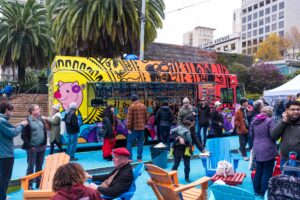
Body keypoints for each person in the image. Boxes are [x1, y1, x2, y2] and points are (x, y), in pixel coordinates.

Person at [0, 102, 28, 200]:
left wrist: (15, 126)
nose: (12, 113)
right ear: (7, 110)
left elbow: (7, 131)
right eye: (11, 110)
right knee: (4, 178)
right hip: (5, 154)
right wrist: (22, 125)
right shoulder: (2, 121)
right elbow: (13, 133)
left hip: (2, 153)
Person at [250, 106, 277, 197]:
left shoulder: (254, 121)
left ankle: (256, 190)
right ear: (270, 113)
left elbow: (251, 135)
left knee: (259, 170)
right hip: (268, 147)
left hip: (257, 146)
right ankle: (263, 192)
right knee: (267, 170)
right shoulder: (269, 121)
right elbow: (273, 135)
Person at [271, 101, 300, 177]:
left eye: (298, 109)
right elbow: (273, 136)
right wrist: (283, 122)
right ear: (287, 110)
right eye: (292, 109)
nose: (296, 111)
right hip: (285, 160)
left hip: (299, 161)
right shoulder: (283, 122)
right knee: (286, 185)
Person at [21, 104, 47, 189]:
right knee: (30, 167)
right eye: (37, 109)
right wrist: (30, 146)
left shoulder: (41, 119)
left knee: (39, 166)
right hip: (32, 148)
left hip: (42, 147)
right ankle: (29, 185)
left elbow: (44, 131)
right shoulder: (27, 121)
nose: (39, 110)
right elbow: (23, 135)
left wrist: (45, 143)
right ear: (32, 111)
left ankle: (38, 183)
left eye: (38, 109)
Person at [126, 95, 147, 162]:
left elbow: (129, 119)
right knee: (140, 142)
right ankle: (139, 158)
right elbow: (146, 117)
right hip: (142, 128)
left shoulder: (131, 107)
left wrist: (128, 128)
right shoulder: (143, 106)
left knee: (129, 142)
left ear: (132, 100)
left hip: (134, 128)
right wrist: (144, 124)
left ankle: (130, 158)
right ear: (138, 99)